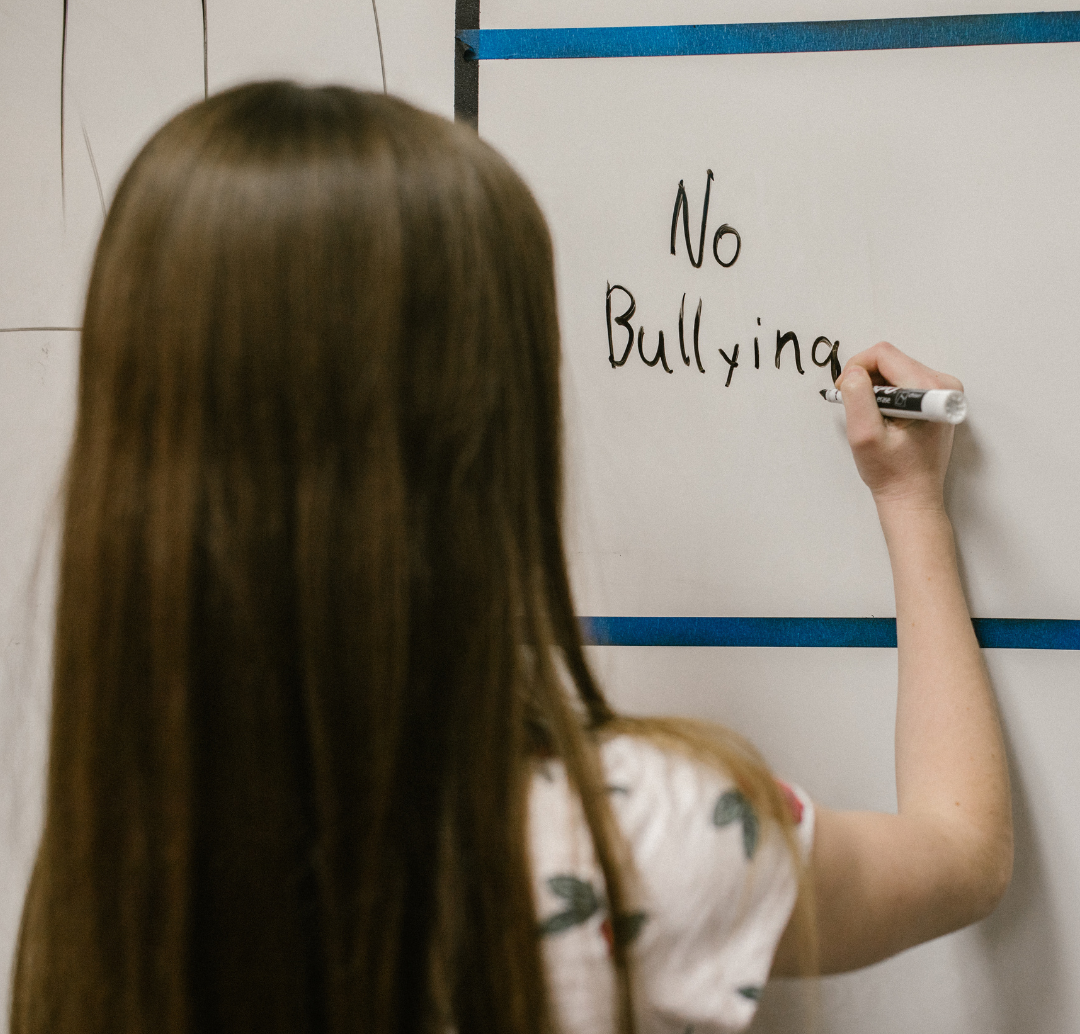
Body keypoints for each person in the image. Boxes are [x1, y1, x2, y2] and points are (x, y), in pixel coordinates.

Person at [10, 82, 1012, 1034]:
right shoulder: (637, 840)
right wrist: (911, 504)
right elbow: (964, 853)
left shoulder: (103, 871)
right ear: (484, 440)